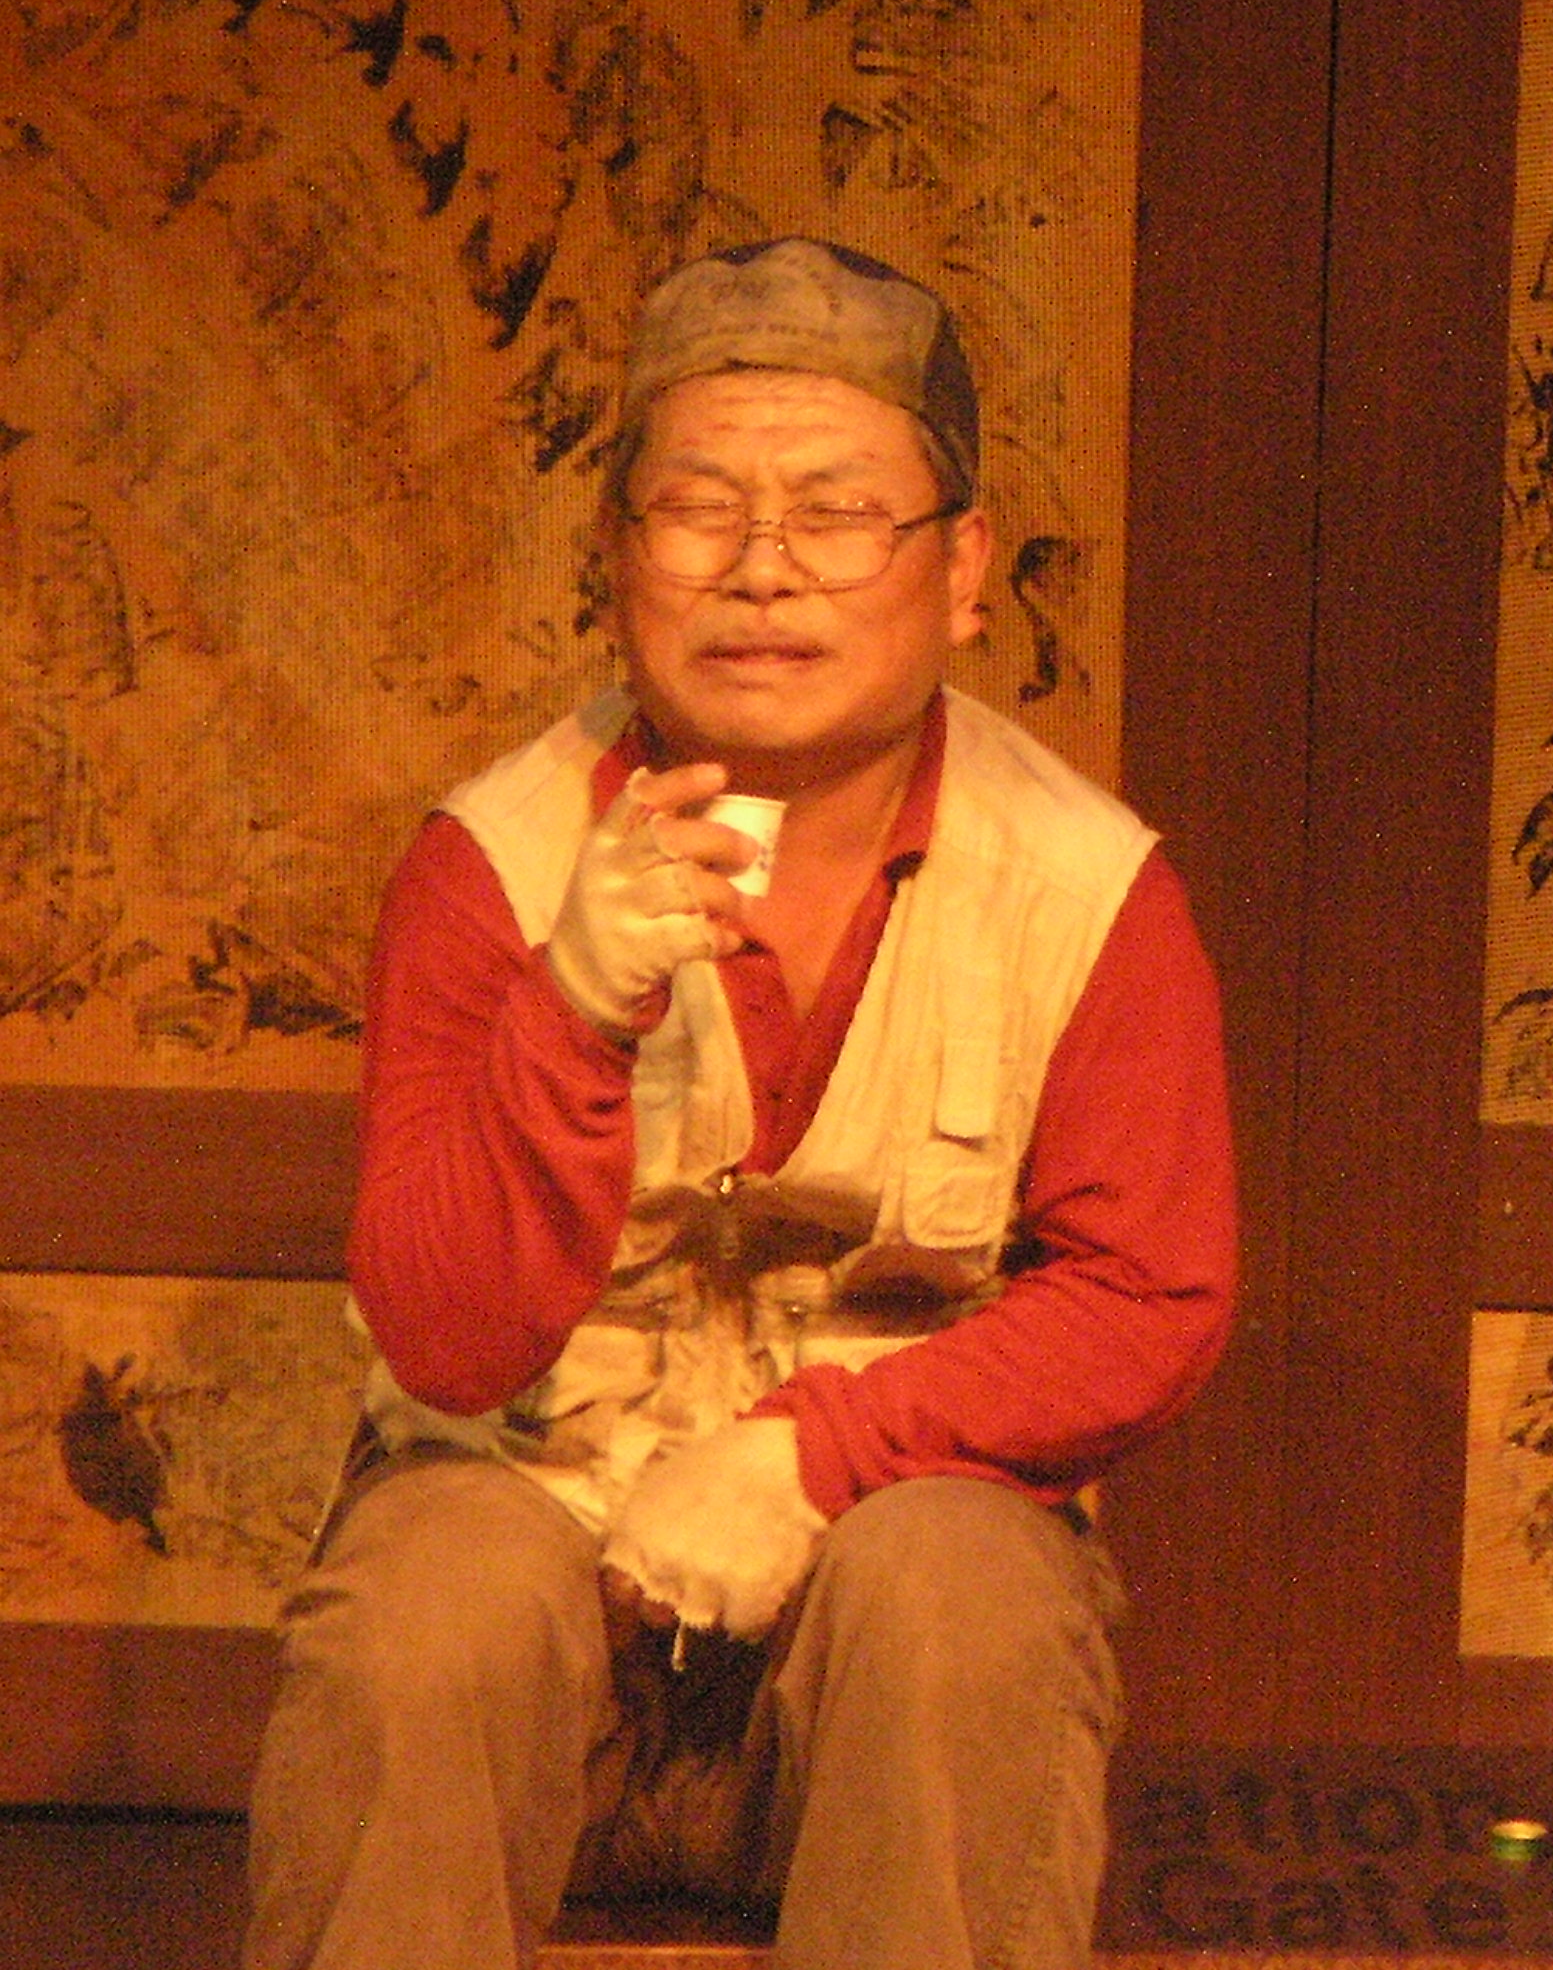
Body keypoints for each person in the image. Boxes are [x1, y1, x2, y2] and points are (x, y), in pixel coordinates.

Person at [246, 238, 1238, 1970]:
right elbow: (446, 1342)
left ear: (960, 571)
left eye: (838, 515)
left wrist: (812, 1456)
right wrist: (571, 1003)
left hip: (867, 1626)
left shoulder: (1089, 888)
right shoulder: (490, 866)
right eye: (701, 511)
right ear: (618, 561)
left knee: (966, 1598)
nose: (764, 571)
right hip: (546, 1586)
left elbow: (1150, 1295)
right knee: (419, 1609)